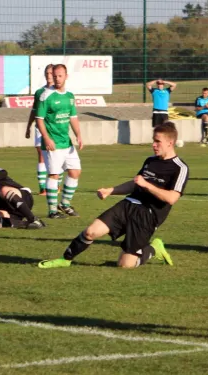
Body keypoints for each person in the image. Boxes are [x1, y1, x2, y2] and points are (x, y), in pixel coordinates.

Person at [38, 122, 189, 269]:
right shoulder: (150, 161)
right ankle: (65, 260)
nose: (154, 145)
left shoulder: (179, 168)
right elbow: (136, 183)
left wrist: (147, 185)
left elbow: (171, 198)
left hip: (148, 216)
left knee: (125, 265)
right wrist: (111, 190)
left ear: (170, 143)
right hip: (128, 204)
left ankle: (154, 248)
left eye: (158, 141)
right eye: (153, 141)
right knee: (90, 232)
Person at [35, 64, 83, 219]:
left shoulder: (69, 96)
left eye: (60, 75)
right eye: (55, 76)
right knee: (54, 175)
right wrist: (47, 138)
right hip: (52, 144)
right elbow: (39, 120)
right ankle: (52, 210)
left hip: (66, 143)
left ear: (66, 76)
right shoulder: (46, 96)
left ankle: (65, 204)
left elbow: (73, 117)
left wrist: (79, 135)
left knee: (75, 172)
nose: (57, 78)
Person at [26, 63, 54, 196]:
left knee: (54, 155)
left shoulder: (60, 92)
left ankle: (56, 184)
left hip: (54, 128)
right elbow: (34, 110)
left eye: (51, 73)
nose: (49, 76)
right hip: (40, 127)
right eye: (47, 73)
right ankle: (42, 187)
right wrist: (28, 126)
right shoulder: (40, 92)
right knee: (41, 155)